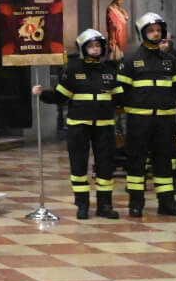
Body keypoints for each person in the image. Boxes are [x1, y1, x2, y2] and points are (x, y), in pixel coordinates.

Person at [33, 28, 122, 219]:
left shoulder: (110, 70)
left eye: (98, 45)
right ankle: (82, 205)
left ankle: (105, 206)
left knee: (105, 165)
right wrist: (43, 94)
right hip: (79, 126)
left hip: (104, 126)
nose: (95, 49)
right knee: (79, 165)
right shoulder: (73, 69)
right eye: (91, 46)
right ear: (83, 48)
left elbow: (120, 97)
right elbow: (60, 96)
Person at [118, 11, 176, 217]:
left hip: (165, 119)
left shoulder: (171, 61)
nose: (156, 34)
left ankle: (167, 203)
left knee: (164, 160)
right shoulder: (130, 60)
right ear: (142, 33)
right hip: (139, 119)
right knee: (136, 161)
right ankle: (136, 203)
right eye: (151, 30)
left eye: (158, 30)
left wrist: (162, 103)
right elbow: (121, 90)